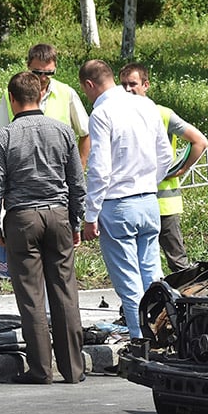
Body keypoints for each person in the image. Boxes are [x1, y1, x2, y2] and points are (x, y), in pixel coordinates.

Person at [0, 71, 87, 385]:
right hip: (58, 215)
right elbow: (77, 183)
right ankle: (73, 368)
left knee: (31, 295)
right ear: (41, 96)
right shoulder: (63, 131)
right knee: (65, 292)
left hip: (22, 217)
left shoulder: (4, 135)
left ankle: (41, 369)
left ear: (12, 100)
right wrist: (76, 221)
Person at [78, 59, 173, 339]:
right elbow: (165, 154)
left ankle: (139, 337)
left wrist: (90, 215)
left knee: (129, 282)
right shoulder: (146, 104)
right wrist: (147, 182)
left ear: (89, 85)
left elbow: (100, 169)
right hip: (148, 200)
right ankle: (164, 333)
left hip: (118, 205)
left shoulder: (102, 113)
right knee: (153, 276)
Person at [0, 44, 90, 279]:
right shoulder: (13, 93)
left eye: (49, 73)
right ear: (28, 67)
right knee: (32, 274)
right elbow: (0, 138)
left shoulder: (66, 94)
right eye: (38, 72)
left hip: (57, 193)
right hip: (24, 193)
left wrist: (78, 169)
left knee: (59, 274)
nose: (43, 78)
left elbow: (85, 133)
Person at [118, 63, 207, 273]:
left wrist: (183, 169)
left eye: (133, 84)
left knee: (177, 262)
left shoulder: (162, 114)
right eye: (123, 85)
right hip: (134, 200)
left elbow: (200, 142)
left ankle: (187, 301)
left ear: (146, 85)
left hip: (163, 203)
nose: (128, 89)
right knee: (141, 263)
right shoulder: (119, 113)